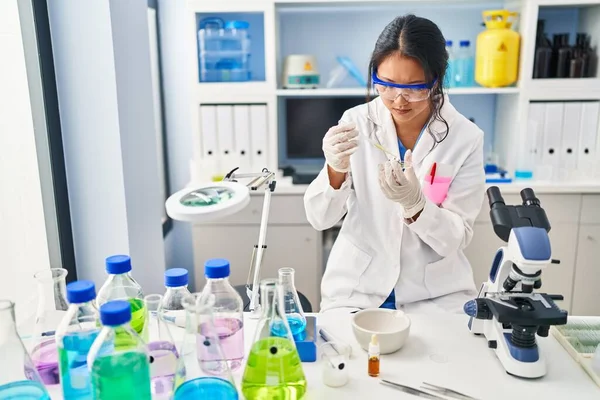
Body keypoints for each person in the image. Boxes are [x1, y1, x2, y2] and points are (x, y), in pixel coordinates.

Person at [304, 15, 485, 314]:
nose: (399, 100)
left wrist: (416, 206)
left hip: (433, 294)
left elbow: (456, 238)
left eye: (415, 88)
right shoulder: (356, 122)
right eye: (386, 85)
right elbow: (319, 218)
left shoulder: (465, 138)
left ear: (437, 79)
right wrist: (335, 170)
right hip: (357, 287)